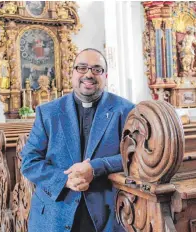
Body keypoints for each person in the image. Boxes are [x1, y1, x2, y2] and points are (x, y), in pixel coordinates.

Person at [21, 48, 134, 232]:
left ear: (106, 76)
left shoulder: (125, 110)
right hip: (55, 212)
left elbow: (135, 157)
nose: (88, 74)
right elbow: (29, 161)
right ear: (71, 73)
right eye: (82, 68)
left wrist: (96, 167)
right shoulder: (48, 112)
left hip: (107, 213)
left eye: (97, 69)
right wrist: (64, 180)